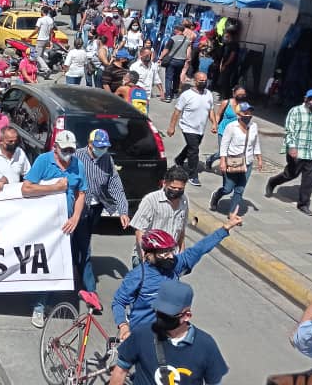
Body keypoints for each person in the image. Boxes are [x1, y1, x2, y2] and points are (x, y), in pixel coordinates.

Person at [112, 216, 242, 340]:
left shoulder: (175, 264)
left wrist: (225, 228)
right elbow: (119, 302)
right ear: (149, 255)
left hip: (169, 332)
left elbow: (200, 248)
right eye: (164, 253)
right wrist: (123, 326)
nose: (170, 256)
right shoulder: (137, 276)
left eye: (171, 250)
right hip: (143, 334)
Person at [21, 130, 87, 327]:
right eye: (64, 149)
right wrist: (55, 188)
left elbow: (81, 193)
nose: (68, 153)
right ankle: (37, 302)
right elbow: (27, 188)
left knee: (54, 263)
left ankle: (41, 302)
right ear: (55, 148)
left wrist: (75, 217)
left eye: (71, 150)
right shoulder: (43, 161)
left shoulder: (78, 165)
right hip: (42, 223)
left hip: (64, 225)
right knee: (40, 261)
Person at [110, 280, 228, 385]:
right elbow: (120, 370)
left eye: (168, 315)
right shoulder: (141, 334)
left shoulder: (206, 346)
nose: (161, 317)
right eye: (159, 312)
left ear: (187, 316)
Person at [73, 129, 130, 293]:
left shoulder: (107, 159)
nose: (102, 150)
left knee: (82, 241)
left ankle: (78, 268)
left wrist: (123, 211)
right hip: (78, 208)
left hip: (96, 208)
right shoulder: (77, 157)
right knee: (84, 246)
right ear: (90, 145)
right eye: (99, 146)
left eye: (104, 147)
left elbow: (115, 186)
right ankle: (90, 289)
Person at [267, 89, 312, 216]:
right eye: (310, 99)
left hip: (311, 150)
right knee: (291, 174)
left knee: (308, 179)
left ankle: (303, 204)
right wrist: (292, 147)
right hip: (296, 149)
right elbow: (289, 130)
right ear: (305, 98)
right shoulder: (295, 111)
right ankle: (272, 182)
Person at [129, 166, 190, 266]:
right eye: (173, 188)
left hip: (170, 259)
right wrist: (145, 258)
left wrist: (181, 253)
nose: (176, 191)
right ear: (165, 183)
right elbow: (139, 231)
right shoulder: (150, 200)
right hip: (149, 259)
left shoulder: (184, 200)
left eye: (180, 189)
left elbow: (181, 230)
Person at [210, 102, 262, 215]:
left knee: (240, 189)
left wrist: (259, 157)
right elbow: (224, 145)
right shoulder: (231, 127)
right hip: (233, 161)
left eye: (250, 112)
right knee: (228, 188)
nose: (248, 115)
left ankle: (232, 213)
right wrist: (223, 161)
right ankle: (216, 196)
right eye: (245, 112)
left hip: (247, 162)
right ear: (239, 114)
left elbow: (256, 142)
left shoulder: (254, 126)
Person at [166, 71, 215, 187]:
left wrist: (214, 124)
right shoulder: (186, 95)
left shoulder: (208, 94)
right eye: (201, 81)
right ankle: (193, 175)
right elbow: (177, 111)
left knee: (192, 146)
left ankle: (179, 160)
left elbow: (211, 110)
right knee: (194, 150)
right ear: (195, 81)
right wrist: (171, 127)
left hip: (200, 127)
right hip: (188, 127)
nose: (203, 82)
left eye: (205, 80)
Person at [204, 86, 246, 173]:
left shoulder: (244, 105)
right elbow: (218, 114)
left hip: (236, 132)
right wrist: (215, 125)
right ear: (234, 94)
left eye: (243, 95)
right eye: (239, 94)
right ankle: (210, 159)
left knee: (231, 151)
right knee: (222, 152)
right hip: (223, 131)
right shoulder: (226, 103)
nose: (241, 96)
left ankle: (230, 169)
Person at [158, 24, 192, 102]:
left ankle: (168, 96)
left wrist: (160, 58)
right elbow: (188, 52)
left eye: (175, 29)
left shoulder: (173, 38)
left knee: (168, 78)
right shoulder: (187, 40)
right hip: (181, 61)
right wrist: (187, 59)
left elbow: (166, 49)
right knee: (177, 77)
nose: (174, 31)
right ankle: (175, 93)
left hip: (172, 60)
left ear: (177, 30)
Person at [28, 9, 55, 78]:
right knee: (41, 55)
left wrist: (29, 36)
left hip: (41, 39)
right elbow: (51, 32)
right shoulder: (51, 20)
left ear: (42, 12)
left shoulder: (40, 20)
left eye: (41, 11)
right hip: (46, 40)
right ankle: (40, 69)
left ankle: (46, 69)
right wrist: (50, 41)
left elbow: (36, 30)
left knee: (36, 56)